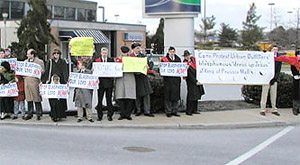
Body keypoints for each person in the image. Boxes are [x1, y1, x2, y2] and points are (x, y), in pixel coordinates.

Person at [43, 48, 68, 122]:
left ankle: (60, 115)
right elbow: (47, 72)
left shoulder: (63, 61)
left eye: (57, 54)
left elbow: (65, 71)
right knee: (52, 100)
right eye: (55, 54)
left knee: (59, 100)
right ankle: (54, 115)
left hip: (60, 82)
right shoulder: (50, 62)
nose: (56, 55)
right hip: (52, 82)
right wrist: (43, 81)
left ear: (59, 55)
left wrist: (66, 81)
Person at [130, 43, 154, 117]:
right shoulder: (130, 57)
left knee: (146, 94)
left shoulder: (143, 56)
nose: (139, 50)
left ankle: (147, 111)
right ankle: (138, 110)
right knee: (137, 95)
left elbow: (150, 64)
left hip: (143, 77)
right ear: (133, 49)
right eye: (137, 48)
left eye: (139, 48)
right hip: (135, 77)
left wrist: (148, 66)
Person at [115, 46, 136, 120]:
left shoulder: (132, 59)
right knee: (120, 98)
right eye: (123, 52)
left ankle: (128, 114)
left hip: (130, 78)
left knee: (130, 97)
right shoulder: (117, 59)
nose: (124, 54)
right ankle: (122, 114)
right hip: (120, 79)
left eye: (126, 52)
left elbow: (136, 68)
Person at [94, 47, 115, 121]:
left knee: (109, 100)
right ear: (101, 53)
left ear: (107, 53)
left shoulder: (111, 60)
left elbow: (114, 70)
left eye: (106, 53)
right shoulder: (97, 60)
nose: (104, 54)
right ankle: (99, 116)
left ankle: (110, 115)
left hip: (109, 83)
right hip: (100, 83)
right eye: (103, 53)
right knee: (100, 100)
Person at [23, 49, 45, 120]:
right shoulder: (25, 62)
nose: (27, 55)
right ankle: (30, 113)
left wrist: (41, 71)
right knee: (29, 98)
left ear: (32, 55)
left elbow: (43, 71)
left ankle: (39, 113)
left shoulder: (39, 61)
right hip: (27, 81)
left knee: (36, 97)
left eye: (28, 54)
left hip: (35, 81)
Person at [260, 46, 281, 116]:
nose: (275, 51)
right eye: (274, 49)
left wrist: (274, 78)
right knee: (264, 94)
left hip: (274, 80)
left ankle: (274, 109)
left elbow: (278, 70)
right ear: (271, 50)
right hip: (266, 79)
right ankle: (262, 109)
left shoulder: (279, 58)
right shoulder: (267, 57)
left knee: (274, 95)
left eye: (276, 49)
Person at [160, 46, 181, 117]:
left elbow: (181, 69)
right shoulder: (164, 59)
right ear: (168, 52)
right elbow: (161, 70)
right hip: (168, 81)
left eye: (173, 51)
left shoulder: (178, 59)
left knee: (176, 96)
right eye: (171, 51)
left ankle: (175, 111)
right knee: (168, 97)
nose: (172, 53)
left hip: (176, 81)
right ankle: (168, 111)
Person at [183, 50, 205, 116]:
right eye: (186, 56)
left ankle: (195, 109)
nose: (187, 57)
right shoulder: (185, 63)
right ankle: (189, 110)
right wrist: (195, 81)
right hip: (191, 81)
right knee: (191, 96)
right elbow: (189, 75)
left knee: (197, 95)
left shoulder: (194, 60)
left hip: (197, 79)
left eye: (188, 55)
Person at [291, 49, 300, 116]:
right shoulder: (293, 62)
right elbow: (293, 70)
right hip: (296, 79)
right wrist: (296, 75)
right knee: (296, 94)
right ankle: (295, 108)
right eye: (298, 54)